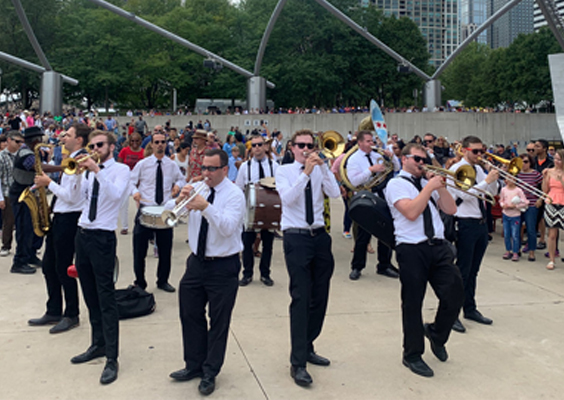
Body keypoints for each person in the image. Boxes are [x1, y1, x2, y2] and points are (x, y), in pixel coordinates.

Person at [169, 149, 245, 396]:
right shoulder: (197, 186)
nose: (206, 173)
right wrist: (179, 199)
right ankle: (193, 365)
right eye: (203, 168)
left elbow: (227, 228)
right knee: (189, 313)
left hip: (223, 264)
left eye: (212, 169)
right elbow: (171, 214)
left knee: (219, 321)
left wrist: (206, 207)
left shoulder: (235, 194)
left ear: (225, 170)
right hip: (197, 262)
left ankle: (210, 371)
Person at [386, 143, 464, 377]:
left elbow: (450, 210)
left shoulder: (426, 184)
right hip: (411, 248)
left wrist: (441, 188)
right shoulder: (396, 184)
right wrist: (429, 188)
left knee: (455, 292)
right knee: (412, 302)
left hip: (438, 246)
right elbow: (410, 212)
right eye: (418, 159)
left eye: (425, 159)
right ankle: (412, 354)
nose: (422, 163)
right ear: (405, 159)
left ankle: (436, 333)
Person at [275, 129, 340, 387]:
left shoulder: (318, 168)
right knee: (301, 297)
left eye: (310, 146)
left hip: (319, 235)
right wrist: (306, 173)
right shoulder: (285, 171)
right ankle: (298, 362)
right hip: (296, 236)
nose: (306, 150)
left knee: (320, 296)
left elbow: (334, 194)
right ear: (292, 147)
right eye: (301, 145)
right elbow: (288, 199)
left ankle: (309, 344)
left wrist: (323, 170)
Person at [71, 130, 130, 385]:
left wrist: (97, 169)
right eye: (92, 144)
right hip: (82, 233)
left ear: (112, 147)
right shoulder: (87, 170)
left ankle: (112, 358)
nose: (95, 147)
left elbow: (116, 196)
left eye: (100, 144)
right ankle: (97, 344)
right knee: (89, 294)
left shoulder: (120, 171)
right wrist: (76, 175)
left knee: (106, 297)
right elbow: (78, 199)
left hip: (103, 237)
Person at [28, 123, 91, 333]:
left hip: (70, 217)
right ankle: (54, 309)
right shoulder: (71, 159)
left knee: (64, 268)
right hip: (61, 216)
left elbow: (72, 198)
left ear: (79, 140)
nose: (63, 137)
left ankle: (71, 313)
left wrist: (49, 183)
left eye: (68, 135)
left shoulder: (80, 161)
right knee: (49, 265)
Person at [448, 136, 499, 333]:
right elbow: (464, 194)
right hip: (464, 223)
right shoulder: (457, 169)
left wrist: (493, 178)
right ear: (464, 150)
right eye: (476, 151)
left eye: (482, 151)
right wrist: (486, 181)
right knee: (462, 271)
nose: (480, 155)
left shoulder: (478, 169)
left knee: (474, 271)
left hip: (480, 223)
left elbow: (490, 193)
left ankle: (470, 308)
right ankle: (452, 314)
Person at [130, 133, 184, 292]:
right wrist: (135, 192)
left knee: (165, 249)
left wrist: (178, 186)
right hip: (146, 208)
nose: (160, 145)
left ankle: (163, 281)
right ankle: (140, 282)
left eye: (163, 142)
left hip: (164, 211)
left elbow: (181, 179)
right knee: (139, 250)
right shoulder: (143, 164)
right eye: (157, 142)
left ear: (166, 144)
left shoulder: (171, 165)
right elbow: (131, 181)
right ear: (152, 145)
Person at [347, 130, 399, 280]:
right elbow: (354, 181)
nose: (372, 144)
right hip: (365, 198)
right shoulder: (353, 159)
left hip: (382, 196)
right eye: (369, 141)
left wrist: (393, 158)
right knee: (363, 236)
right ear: (360, 143)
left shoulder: (378, 156)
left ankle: (384, 265)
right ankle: (357, 266)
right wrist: (370, 170)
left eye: (372, 141)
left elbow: (395, 169)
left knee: (385, 233)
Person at [9, 127, 58, 274]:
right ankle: (19, 261)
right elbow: (38, 167)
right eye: (40, 138)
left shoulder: (31, 151)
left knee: (33, 226)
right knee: (24, 228)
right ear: (36, 139)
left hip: (29, 190)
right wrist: (61, 168)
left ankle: (30, 254)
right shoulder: (25, 153)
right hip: (21, 192)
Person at [235, 135, 278, 287]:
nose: (257, 148)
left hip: (269, 212)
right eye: (254, 145)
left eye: (260, 144)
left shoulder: (275, 166)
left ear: (265, 147)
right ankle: (247, 274)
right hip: (249, 211)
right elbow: (239, 189)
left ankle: (265, 274)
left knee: (268, 244)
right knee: (247, 244)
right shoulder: (244, 167)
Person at [0, 131, 23, 257]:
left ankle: (25, 246)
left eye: (21, 142)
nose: (20, 144)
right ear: (9, 140)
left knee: (24, 221)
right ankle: (6, 245)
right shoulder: (1, 156)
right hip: (8, 192)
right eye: (17, 141)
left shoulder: (21, 154)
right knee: (9, 221)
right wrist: (0, 198)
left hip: (22, 191)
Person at [516, 153, 543, 261]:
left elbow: (544, 187)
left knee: (531, 229)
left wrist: (540, 199)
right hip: (518, 204)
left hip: (531, 205)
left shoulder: (536, 174)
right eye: (521, 162)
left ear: (530, 162)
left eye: (526, 161)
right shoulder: (517, 174)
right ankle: (516, 249)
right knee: (516, 229)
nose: (523, 164)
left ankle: (532, 251)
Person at [117, 133, 144, 235]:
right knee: (123, 204)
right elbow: (119, 165)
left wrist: (140, 183)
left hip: (138, 179)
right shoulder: (124, 151)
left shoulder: (143, 152)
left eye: (137, 141)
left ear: (140, 141)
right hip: (126, 179)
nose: (134, 143)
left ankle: (142, 225)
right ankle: (124, 226)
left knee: (141, 203)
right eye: (132, 141)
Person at [542, 149, 564, 270]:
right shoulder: (550, 171)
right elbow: (545, 190)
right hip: (551, 201)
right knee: (552, 234)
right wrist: (545, 177)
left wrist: (561, 180)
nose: (556, 161)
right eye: (555, 158)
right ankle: (551, 259)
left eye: (559, 159)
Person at [499, 176, 528, 261]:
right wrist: (503, 205)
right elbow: (501, 200)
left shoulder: (518, 190)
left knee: (515, 235)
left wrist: (515, 206)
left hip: (515, 215)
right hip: (505, 214)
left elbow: (525, 202)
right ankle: (508, 250)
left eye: (511, 178)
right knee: (507, 234)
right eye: (507, 178)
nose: (509, 180)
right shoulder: (503, 189)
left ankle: (515, 252)